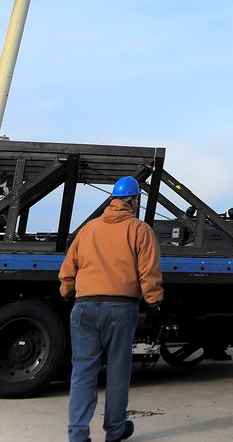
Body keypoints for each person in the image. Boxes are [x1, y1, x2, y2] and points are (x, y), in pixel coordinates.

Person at [59, 175, 163, 442]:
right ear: (134, 200)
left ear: (113, 200)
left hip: (84, 307)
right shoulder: (139, 230)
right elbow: (148, 272)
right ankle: (115, 430)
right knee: (117, 369)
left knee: (83, 370)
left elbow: (68, 268)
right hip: (121, 308)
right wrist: (154, 302)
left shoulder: (88, 229)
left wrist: (67, 291)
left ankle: (77, 435)